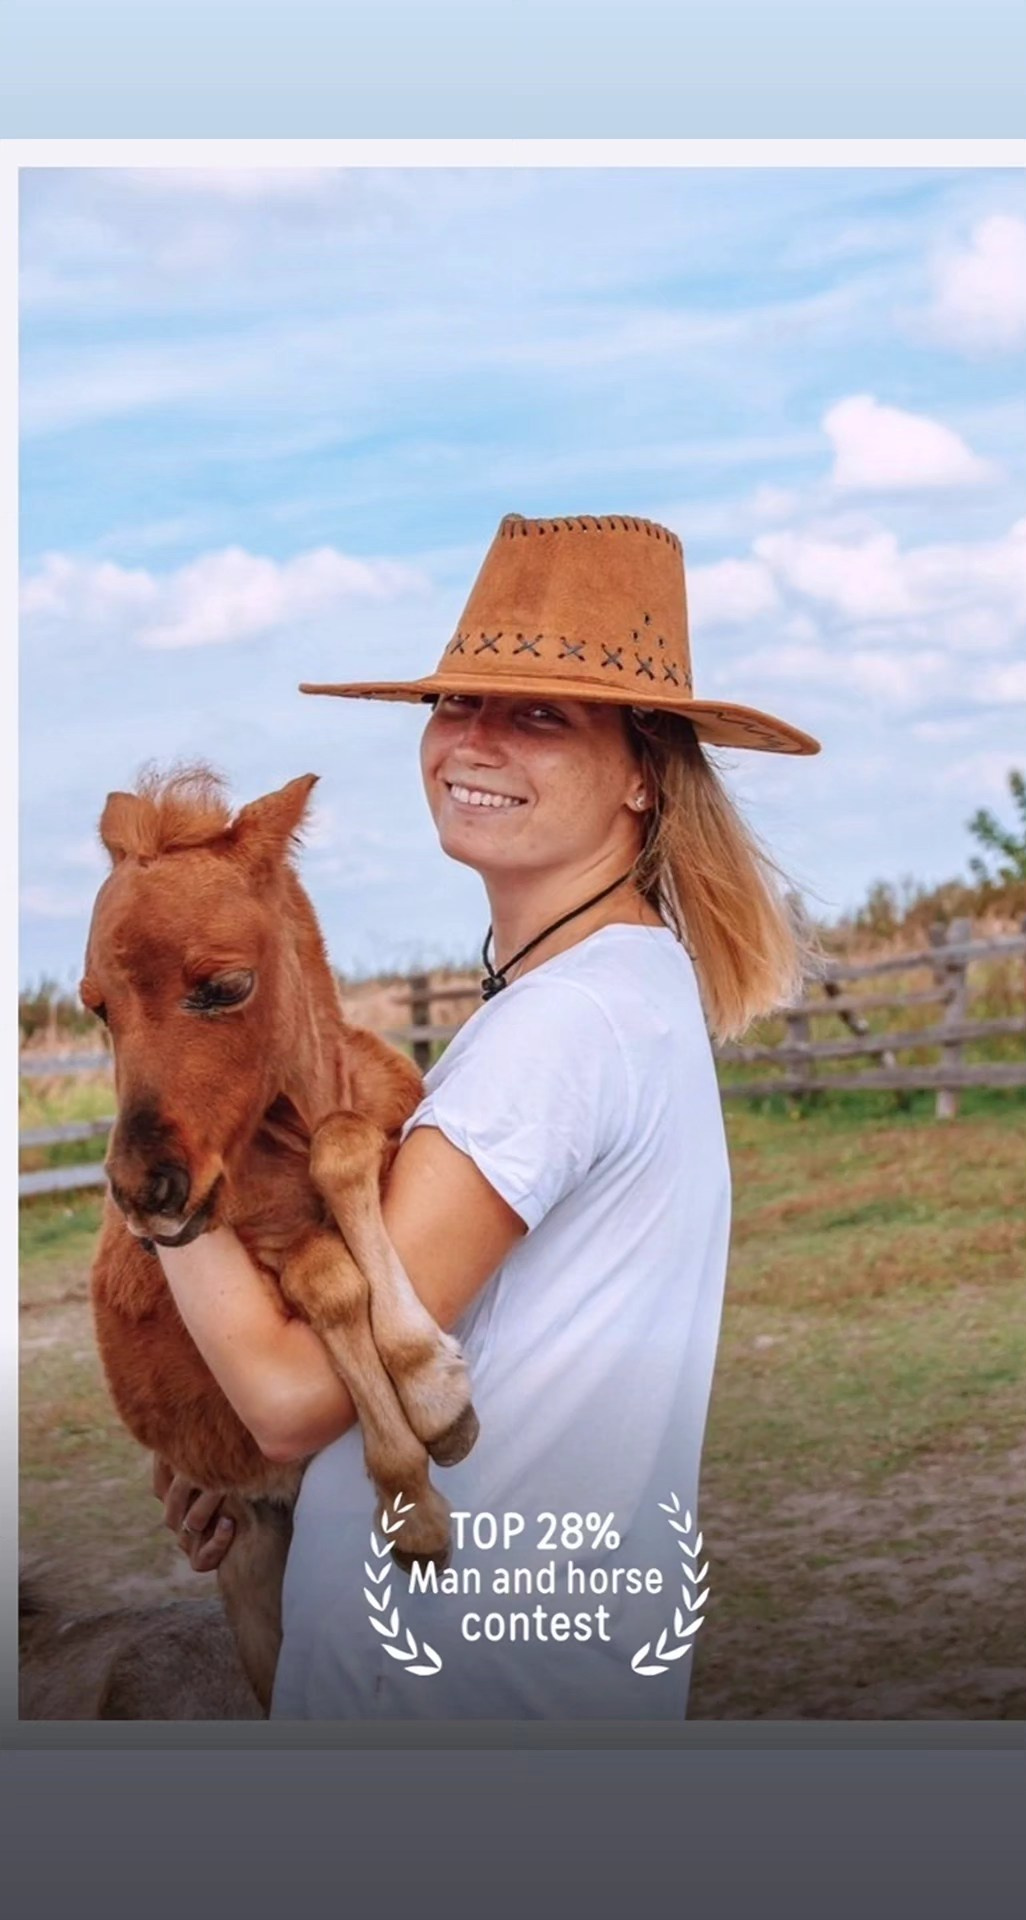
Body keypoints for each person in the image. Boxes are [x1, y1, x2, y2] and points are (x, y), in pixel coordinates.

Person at [152, 510, 821, 1719]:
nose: (474, 741)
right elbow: (482, 1365)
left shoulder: (564, 1030)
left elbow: (298, 1395)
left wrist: (160, 1155)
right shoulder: (623, 988)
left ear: (640, 774)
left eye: (541, 714)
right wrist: (263, 1491)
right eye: (455, 704)